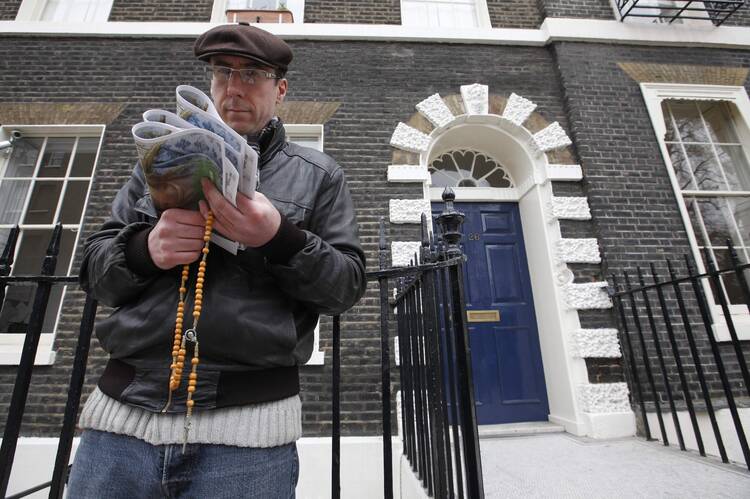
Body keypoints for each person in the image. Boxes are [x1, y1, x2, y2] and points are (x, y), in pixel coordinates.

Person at [67, 23, 366, 498]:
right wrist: (146, 250)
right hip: (121, 422)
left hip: (249, 438)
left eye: (252, 74)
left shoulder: (319, 174)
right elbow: (95, 274)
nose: (234, 88)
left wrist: (279, 239)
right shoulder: (155, 165)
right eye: (222, 73)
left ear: (280, 89)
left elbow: (345, 287)